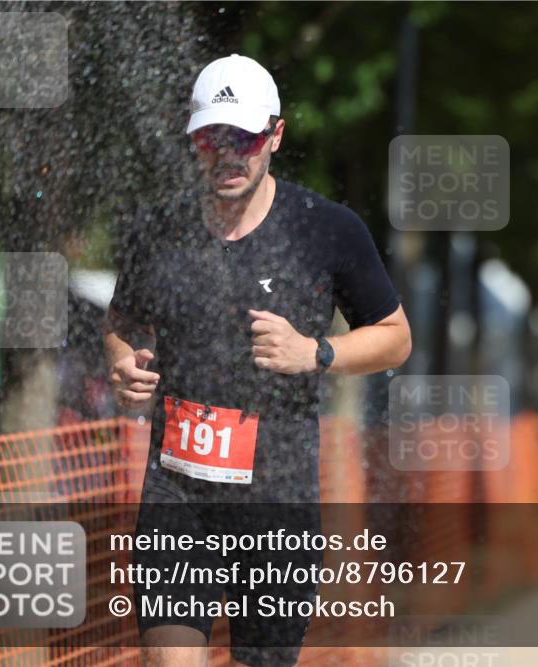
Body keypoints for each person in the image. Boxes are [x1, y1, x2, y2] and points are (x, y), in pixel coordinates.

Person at [104, 54, 411, 667]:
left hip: (278, 500)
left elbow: (395, 336)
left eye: (244, 138)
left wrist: (315, 352)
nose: (228, 154)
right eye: (212, 138)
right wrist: (123, 367)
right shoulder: (157, 229)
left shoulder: (327, 231)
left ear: (275, 134)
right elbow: (122, 322)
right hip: (177, 495)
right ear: (193, 137)